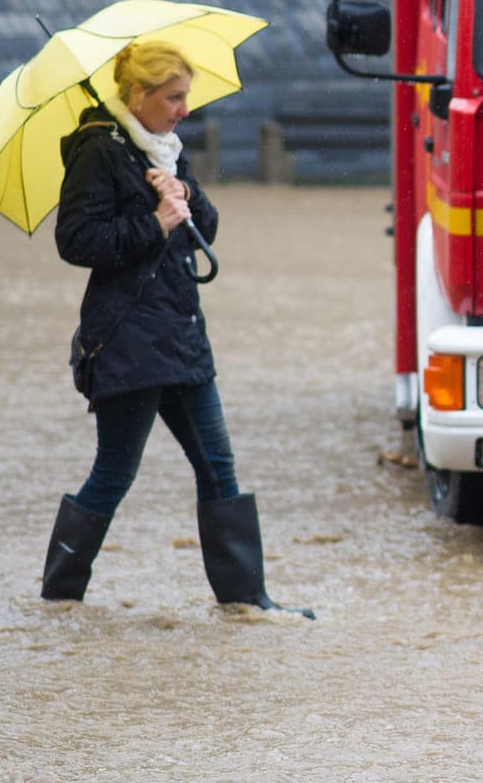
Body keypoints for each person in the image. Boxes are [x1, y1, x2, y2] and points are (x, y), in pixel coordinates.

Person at [40, 42, 313, 617]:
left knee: (219, 466)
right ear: (137, 96)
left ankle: (247, 603)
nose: (185, 108)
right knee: (114, 474)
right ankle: (59, 601)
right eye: (173, 97)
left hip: (181, 337)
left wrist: (184, 195)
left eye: (186, 95)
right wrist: (155, 221)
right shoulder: (99, 151)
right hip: (128, 341)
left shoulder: (165, 151)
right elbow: (77, 242)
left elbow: (206, 228)